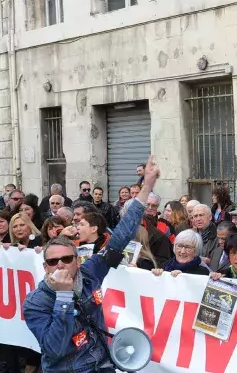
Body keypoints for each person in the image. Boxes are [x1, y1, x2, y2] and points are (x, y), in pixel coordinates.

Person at [23, 155, 159, 372]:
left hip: (103, 364)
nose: (60, 265)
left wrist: (147, 185)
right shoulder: (36, 302)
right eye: (53, 261)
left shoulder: (90, 271)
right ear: (45, 266)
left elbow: (121, 237)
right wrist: (64, 297)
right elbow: (54, 348)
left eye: (67, 259)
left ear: (77, 261)